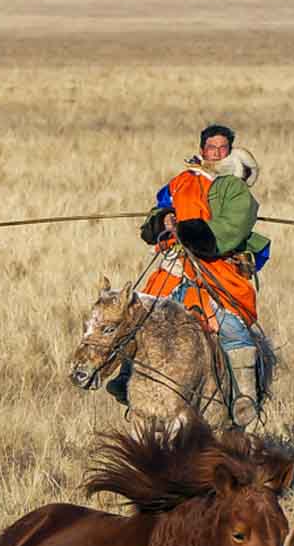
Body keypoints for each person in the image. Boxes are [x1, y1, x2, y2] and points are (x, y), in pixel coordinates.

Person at [109, 123, 271, 427]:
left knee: (230, 326)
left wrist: (188, 231)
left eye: (223, 148)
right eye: (212, 148)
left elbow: (232, 227)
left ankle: (245, 397)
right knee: (142, 320)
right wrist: (163, 219)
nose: (217, 153)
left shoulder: (234, 189)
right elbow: (157, 212)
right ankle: (126, 378)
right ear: (202, 150)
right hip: (176, 267)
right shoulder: (181, 182)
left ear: (230, 151)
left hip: (216, 268)